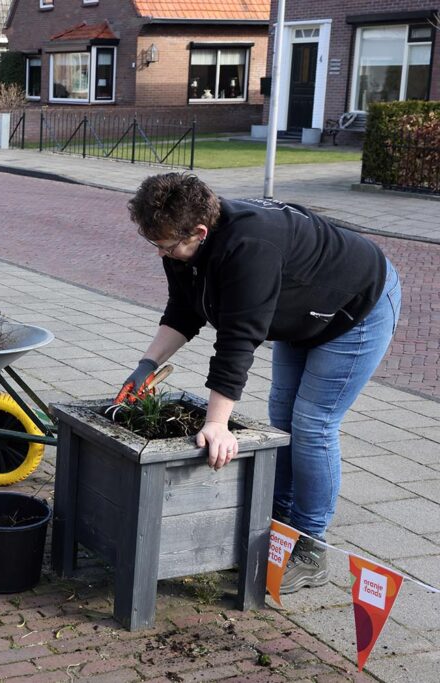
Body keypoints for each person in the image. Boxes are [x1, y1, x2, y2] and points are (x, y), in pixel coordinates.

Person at [124, 173, 400, 594]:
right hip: (301, 313)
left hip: (356, 308)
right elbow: (183, 310)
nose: (161, 253)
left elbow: (237, 342)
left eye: (165, 245)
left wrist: (217, 424)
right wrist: (146, 365)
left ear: (199, 230)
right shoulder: (184, 243)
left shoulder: (249, 247)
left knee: (312, 425)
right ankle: (276, 526)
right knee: (282, 420)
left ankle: (310, 549)